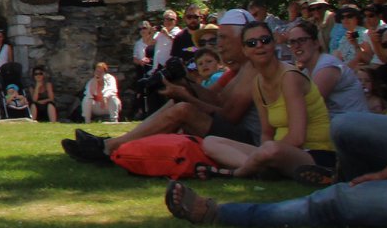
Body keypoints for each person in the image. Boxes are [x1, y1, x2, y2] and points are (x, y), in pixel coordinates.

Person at [165, 88, 387, 228]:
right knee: (345, 125)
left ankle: (218, 213)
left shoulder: (291, 76)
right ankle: (352, 177)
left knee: (335, 202)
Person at [65, 9, 261, 164]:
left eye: (224, 38)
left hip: (248, 140)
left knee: (184, 109)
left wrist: (187, 95)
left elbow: (229, 116)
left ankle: (108, 147)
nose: (219, 44)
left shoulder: (252, 69)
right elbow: (215, 98)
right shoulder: (240, 69)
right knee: (180, 100)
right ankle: (116, 143)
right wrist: (185, 84)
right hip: (237, 132)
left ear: (242, 38)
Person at [198, 20, 334, 181]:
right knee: (210, 142)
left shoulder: (290, 77)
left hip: (313, 153)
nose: (259, 46)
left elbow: (297, 138)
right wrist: (263, 154)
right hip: (275, 153)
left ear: (274, 43)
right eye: (251, 43)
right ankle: (261, 170)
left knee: (270, 149)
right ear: (245, 50)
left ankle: (239, 172)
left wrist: (266, 153)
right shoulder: (258, 83)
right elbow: (267, 132)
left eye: (265, 40)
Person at [289, 18, 370, 118]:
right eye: (292, 42)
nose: (297, 46)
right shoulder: (306, 72)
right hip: (339, 125)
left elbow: (305, 108)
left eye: (302, 40)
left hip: (356, 126)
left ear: (316, 43)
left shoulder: (327, 67)